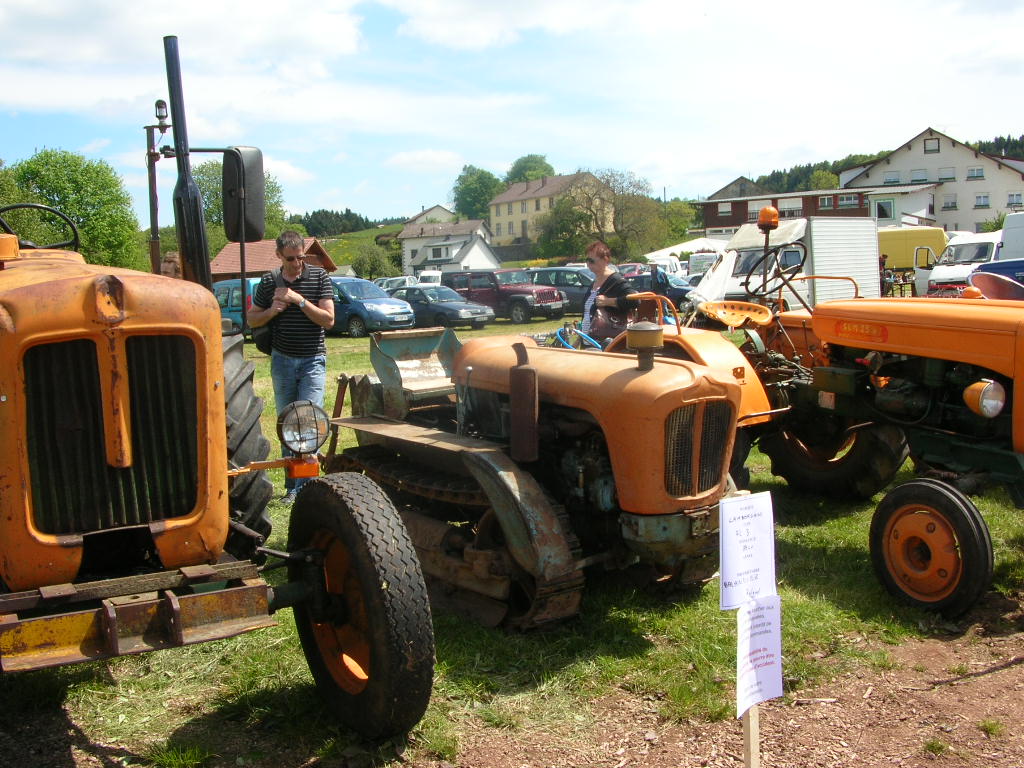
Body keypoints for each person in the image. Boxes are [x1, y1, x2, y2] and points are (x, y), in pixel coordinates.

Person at [247, 230, 335, 503]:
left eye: (300, 257)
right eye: (290, 259)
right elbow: (252, 320)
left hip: (312, 360)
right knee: (288, 423)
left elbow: (328, 320)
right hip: (282, 360)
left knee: (308, 420)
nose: (297, 263)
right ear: (279, 256)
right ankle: (292, 488)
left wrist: (300, 300)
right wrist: (273, 310)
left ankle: (308, 488)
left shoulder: (319, 277)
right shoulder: (268, 282)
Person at [580, 240, 636, 344]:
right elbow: (588, 314)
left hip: (607, 342)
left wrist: (609, 301)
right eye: (587, 260)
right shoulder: (594, 283)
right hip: (588, 340)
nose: (588, 264)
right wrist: (580, 338)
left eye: (591, 260)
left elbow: (635, 300)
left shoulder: (615, 280)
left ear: (605, 260)